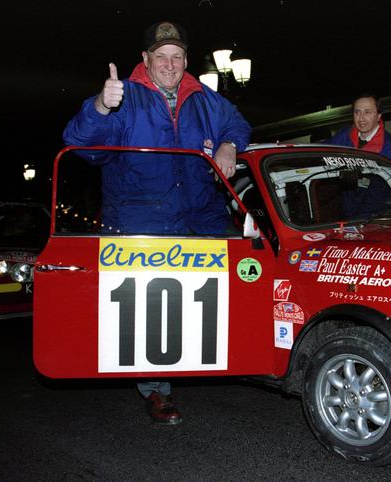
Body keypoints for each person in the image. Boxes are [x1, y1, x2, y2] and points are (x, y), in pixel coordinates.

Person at [63, 21, 252, 425]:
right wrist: (99, 106)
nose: (170, 64)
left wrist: (229, 143)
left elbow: (238, 122)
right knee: (153, 311)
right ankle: (156, 390)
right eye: (161, 56)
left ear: (186, 61)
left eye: (177, 56)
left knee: (230, 288)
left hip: (203, 219)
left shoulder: (204, 97)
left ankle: (229, 363)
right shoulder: (123, 96)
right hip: (142, 223)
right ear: (145, 60)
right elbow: (80, 145)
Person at [325, 94, 391, 172]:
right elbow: (324, 151)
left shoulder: (389, 148)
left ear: (378, 116)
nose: (361, 118)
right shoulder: (344, 135)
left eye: (367, 112)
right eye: (357, 112)